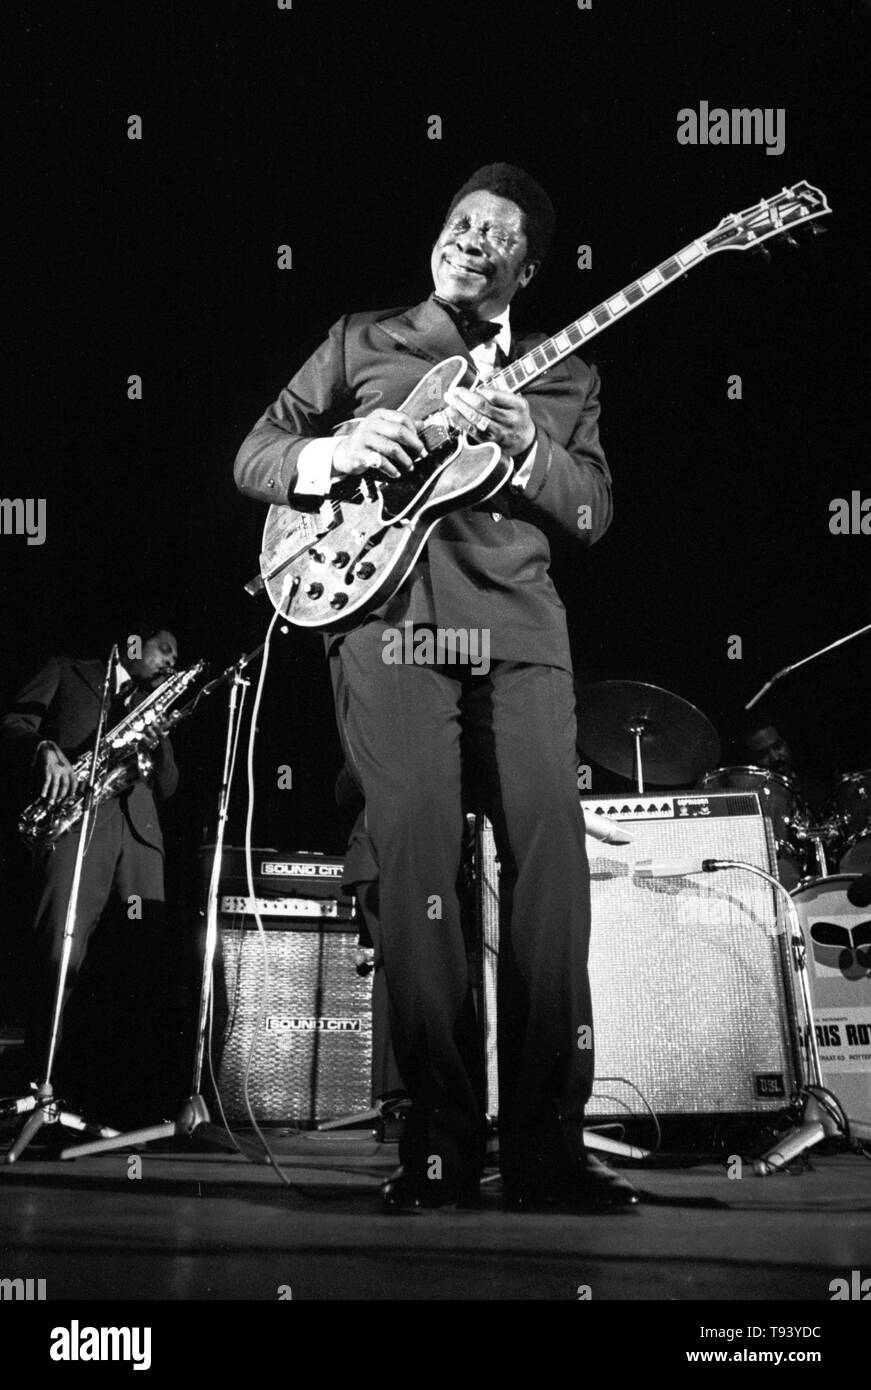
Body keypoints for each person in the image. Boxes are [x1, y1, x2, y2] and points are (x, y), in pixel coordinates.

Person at [235, 163, 639, 1212]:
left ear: (526, 265)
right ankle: (438, 1144)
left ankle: (547, 1145)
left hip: (520, 635)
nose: (470, 237)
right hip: (388, 627)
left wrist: (529, 449)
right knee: (418, 875)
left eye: (496, 231)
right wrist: (331, 451)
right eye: (460, 220)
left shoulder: (566, 375)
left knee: (551, 881)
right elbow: (256, 455)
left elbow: (592, 515)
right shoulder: (362, 340)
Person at [0, 624, 180, 1121]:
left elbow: (167, 786)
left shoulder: (155, 703)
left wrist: (159, 743)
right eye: (165, 650)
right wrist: (44, 749)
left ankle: (117, 1095)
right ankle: (44, 1089)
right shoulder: (66, 670)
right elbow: (13, 721)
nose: (170, 662)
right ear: (133, 644)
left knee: (139, 964)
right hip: (77, 828)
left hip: (139, 840)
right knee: (61, 951)